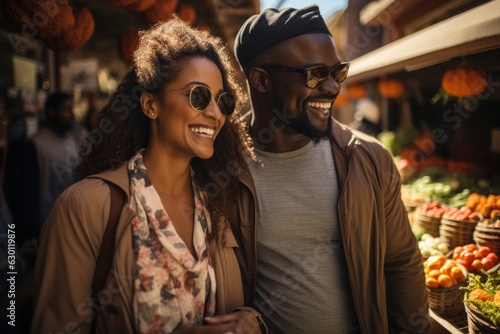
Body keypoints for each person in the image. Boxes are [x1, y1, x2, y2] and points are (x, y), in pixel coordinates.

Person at [31, 17, 265, 334]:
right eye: (198, 95)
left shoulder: (217, 206)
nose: (214, 113)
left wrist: (249, 319)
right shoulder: (86, 207)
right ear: (151, 105)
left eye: (222, 100)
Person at [228, 5, 430, 334]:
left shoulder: (368, 159)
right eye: (316, 74)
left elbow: (400, 262)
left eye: (339, 72)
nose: (334, 87)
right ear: (261, 80)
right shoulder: (220, 166)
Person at [17, 92, 83, 248]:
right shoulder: (35, 145)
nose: (71, 114)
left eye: (71, 108)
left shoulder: (73, 141)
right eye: (66, 109)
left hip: (72, 221)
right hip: (46, 225)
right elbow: (28, 190)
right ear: (51, 112)